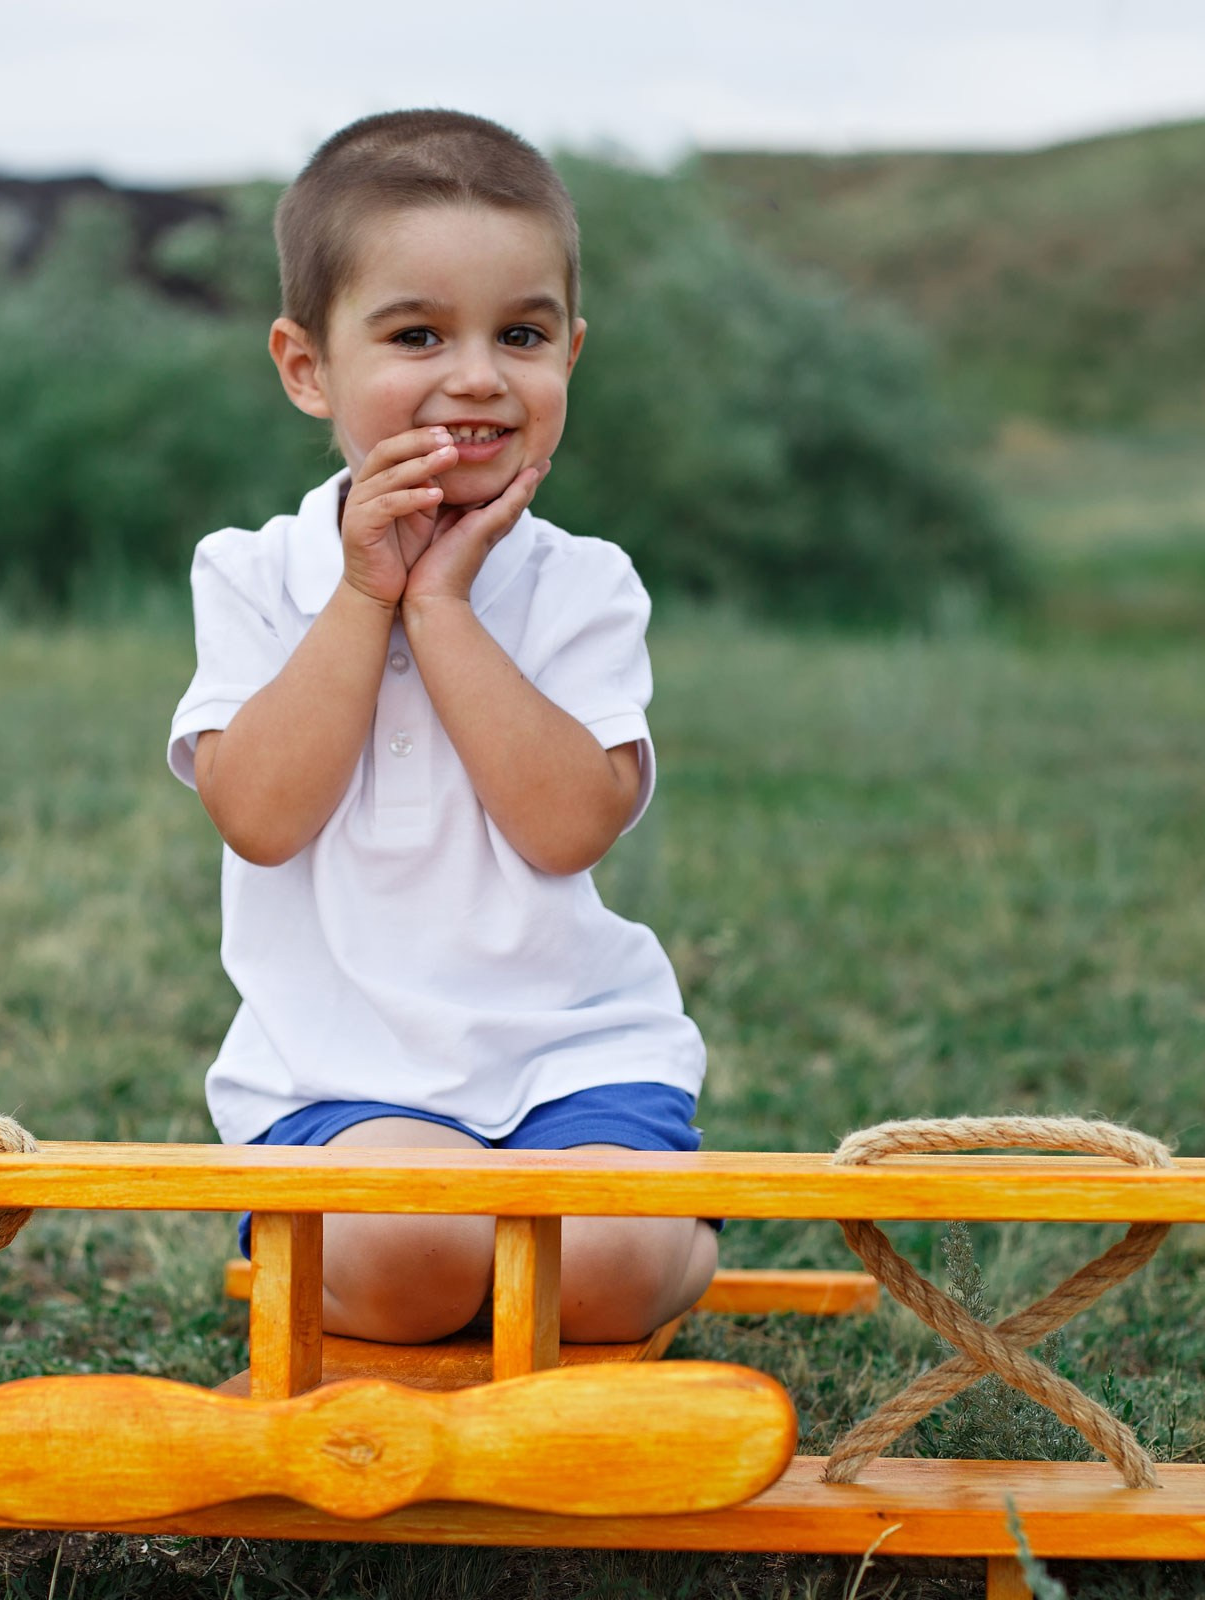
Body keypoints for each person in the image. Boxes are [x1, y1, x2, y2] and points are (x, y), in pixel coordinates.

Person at [166, 110, 714, 1346]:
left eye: (521, 334)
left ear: (571, 352)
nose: (477, 376)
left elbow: (568, 828)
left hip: (576, 1060)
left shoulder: (584, 582)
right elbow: (260, 818)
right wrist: (367, 594)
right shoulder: (252, 572)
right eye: (417, 334)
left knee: (604, 1271)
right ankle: (392, 1267)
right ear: (307, 366)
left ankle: (677, 1241)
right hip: (338, 1074)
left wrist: (445, 607)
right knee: (414, 1249)